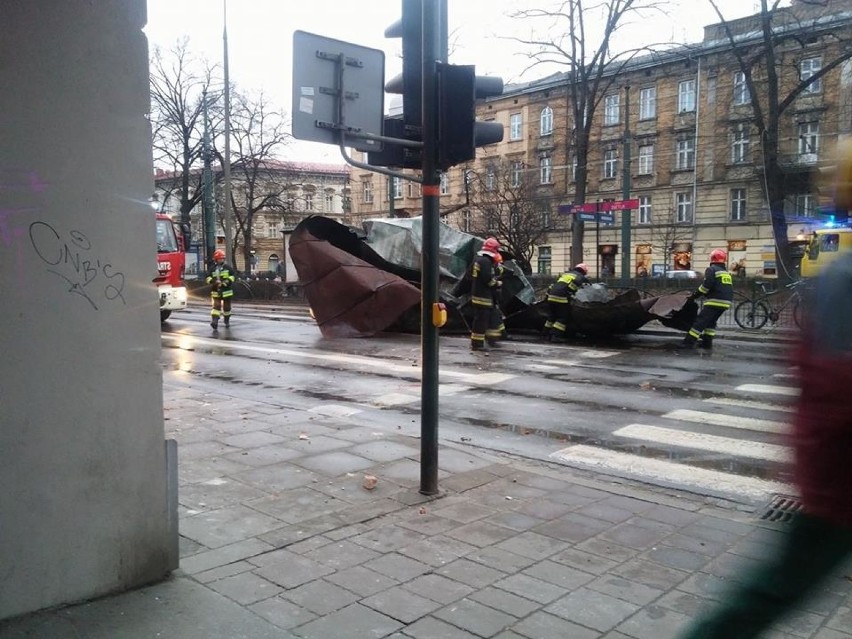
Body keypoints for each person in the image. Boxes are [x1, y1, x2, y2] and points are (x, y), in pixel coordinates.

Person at [677, 249, 733, 350]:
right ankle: (707, 343)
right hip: (726, 302)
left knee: (700, 321)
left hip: (715, 301)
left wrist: (694, 296)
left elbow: (705, 287)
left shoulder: (712, 269)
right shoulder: (726, 272)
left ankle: (688, 343)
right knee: (711, 322)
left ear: (712, 259)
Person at [469, 237, 503, 351]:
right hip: (483, 297)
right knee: (480, 322)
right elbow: (488, 280)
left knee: (481, 321)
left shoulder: (479, 260)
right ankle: (477, 345)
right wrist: (497, 283)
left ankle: (479, 342)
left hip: (478, 295)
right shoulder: (486, 262)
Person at [543, 263, 589, 341]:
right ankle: (555, 336)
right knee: (563, 317)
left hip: (551, 297)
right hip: (561, 298)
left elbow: (553, 286)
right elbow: (573, 289)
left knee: (552, 316)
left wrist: (547, 297)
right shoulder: (580, 277)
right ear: (584, 272)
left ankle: (545, 334)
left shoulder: (565, 274)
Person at [205, 249, 236, 330]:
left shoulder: (228, 268)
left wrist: (227, 281)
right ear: (216, 259)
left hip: (227, 291)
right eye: (219, 258)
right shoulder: (212, 269)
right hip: (216, 291)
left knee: (227, 308)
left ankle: (226, 320)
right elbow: (207, 278)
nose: (221, 260)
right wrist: (214, 281)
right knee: (216, 307)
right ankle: (214, 322)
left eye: (222, 258)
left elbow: (233, 276)